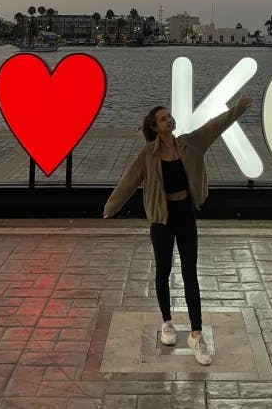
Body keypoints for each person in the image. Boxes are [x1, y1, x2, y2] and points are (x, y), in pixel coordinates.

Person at [102, 96, 253, 366]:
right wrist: (111, 207)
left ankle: (196, 333)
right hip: (162, 219)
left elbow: (214, 126)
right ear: (155, 127)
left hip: (185, 215)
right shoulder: (148, 154)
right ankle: (167, 323)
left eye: (170, 116)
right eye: (163, 118)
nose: (169, 119)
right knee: (163, 271)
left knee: (190, 272)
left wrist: (238, 109)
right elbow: (129, 181)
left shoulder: (190, 143)